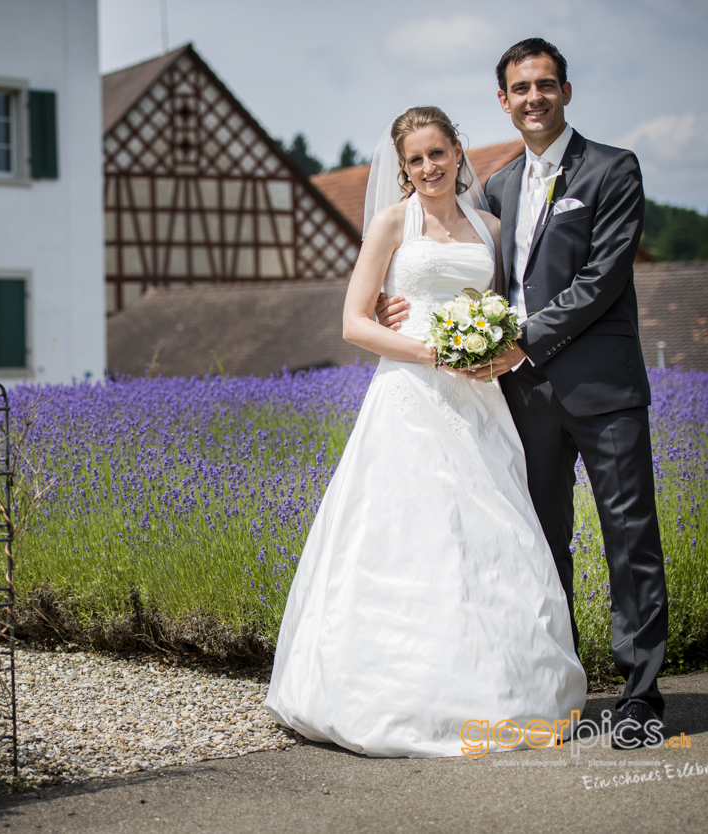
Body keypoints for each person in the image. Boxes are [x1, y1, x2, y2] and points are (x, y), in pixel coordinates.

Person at [263, 106, 586, 758]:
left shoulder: (490, 227)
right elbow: (356, 323)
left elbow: (507, 304)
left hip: (479, 398)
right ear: (403, 167)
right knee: (406, 534)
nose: (429, 168)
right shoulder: (390, 223)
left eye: (438, 154)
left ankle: (501, 690)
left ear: (456, 151)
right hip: (409, 392)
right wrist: (432, 352)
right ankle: (387, 693)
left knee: (494, 533)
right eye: (416, 160)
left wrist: (492, 342)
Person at [377, 40, 668, 750]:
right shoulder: (496, 190)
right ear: (502, 100)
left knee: (630, 538)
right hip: (523, 398)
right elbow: (465, 269)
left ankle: (639, 697)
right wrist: (399, 305)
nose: (533, 97)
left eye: (545, 85)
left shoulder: (612, 169)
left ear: (565, 91)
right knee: (539, 545)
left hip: (603, 388)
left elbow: (601, 281)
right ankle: (557, 687)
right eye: (519, 88)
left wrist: (524, 339)